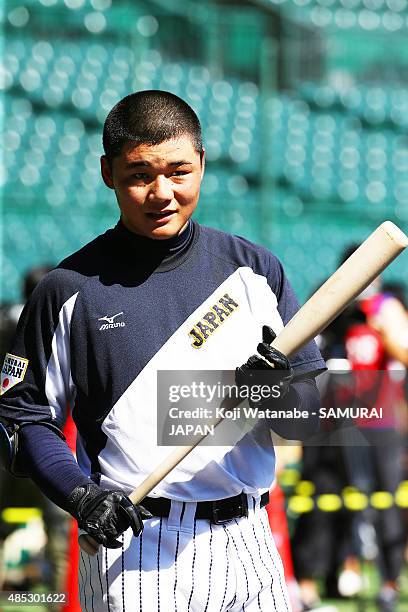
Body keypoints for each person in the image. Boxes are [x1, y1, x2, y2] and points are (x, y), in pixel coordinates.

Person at [0, 90, 325, 611]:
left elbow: (306, 421)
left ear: (202, 163)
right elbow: (23, 420)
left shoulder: (255, 269)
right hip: (134, 549)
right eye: (139, 175)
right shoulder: (67, 289)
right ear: (107, 172)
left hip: (252, 542)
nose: (162, 193)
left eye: (178, 171)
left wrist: (273, 391)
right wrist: (81, 496)